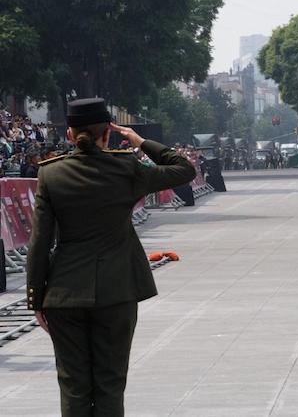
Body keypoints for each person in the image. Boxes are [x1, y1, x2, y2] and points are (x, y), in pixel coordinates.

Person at [26, 97, 196, 417]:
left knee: (74, 386)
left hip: (64, 295)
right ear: (109, 132)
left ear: (70, 135)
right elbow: (183, 169)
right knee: (110, 383)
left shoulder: (51, 175)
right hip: (117, 292)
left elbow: (39, 242)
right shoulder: (127, 168)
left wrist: (35, 298)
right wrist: (140, 141)